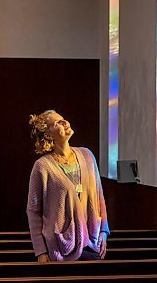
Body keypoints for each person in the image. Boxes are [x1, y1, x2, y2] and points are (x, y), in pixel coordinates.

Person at [27, 110, 109, 262]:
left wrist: (104, 230)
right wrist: (41, 251)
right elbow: (33, 211)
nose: (64, 122)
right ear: (48, 135)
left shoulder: (87, 155)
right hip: (60, 247)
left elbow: (99, 196)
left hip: (92, 244)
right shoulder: (42, 166)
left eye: (63, 119)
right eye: (57, 123)